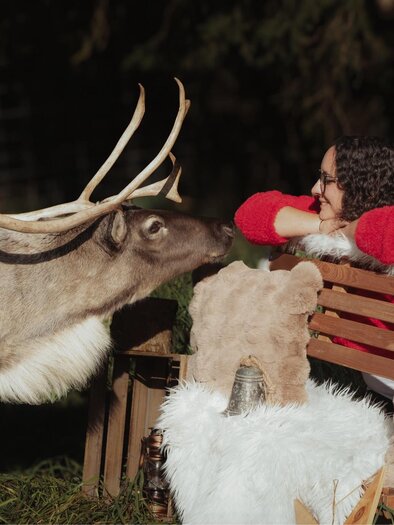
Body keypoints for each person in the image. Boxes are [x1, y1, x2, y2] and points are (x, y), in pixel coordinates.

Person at [234, 135, 394, 403]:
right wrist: (321, 227)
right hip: (380, 393)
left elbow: (386, 233)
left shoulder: (373, 218)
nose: (314, 189)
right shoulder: (325, 214)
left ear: (359, 185)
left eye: (327, 180)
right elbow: (250, 215)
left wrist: (351, 230)